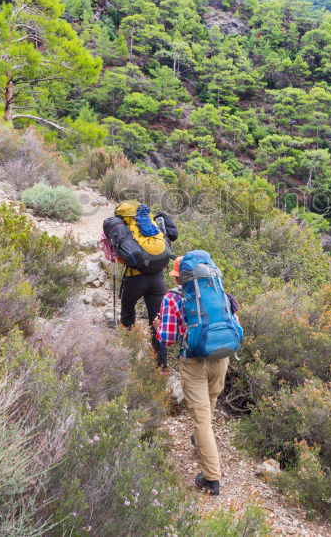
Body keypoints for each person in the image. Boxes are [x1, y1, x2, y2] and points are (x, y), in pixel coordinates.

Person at [155, 254, 241, 496]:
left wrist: (157, 327)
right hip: (221, 357)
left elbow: (168, 338)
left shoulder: (172, 298)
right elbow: (234, 323)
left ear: (180, 276)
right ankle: (200, 442)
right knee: (210, 404)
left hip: (194, 362)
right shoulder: (218, 291)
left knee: (201, 419)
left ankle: (211, 478)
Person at [111, 201, 173, 368]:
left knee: (127, 314)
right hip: (157, 278)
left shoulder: (125, 228)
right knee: (157, 321)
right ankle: (161, 366)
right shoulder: (151, 222)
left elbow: (120, 258)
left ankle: (126, 358)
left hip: (135, 279)